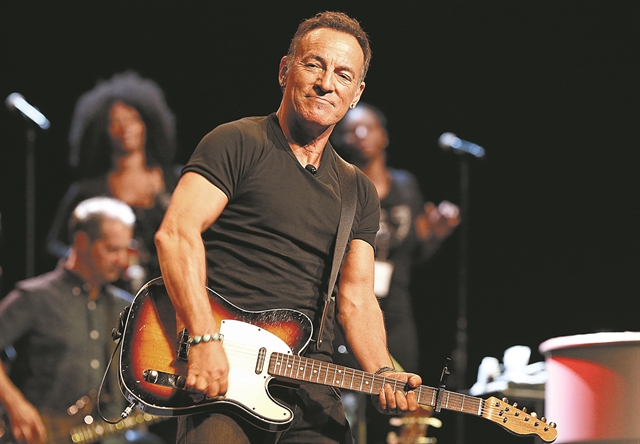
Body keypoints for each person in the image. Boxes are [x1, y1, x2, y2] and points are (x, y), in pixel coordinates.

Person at [154, 11, 422, 444]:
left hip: (310, 385)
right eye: (314, 64)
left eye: (343, 74)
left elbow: (357, 298)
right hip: (225, 371)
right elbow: (176, 234)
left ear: (356, 93)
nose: (326, 83)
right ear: (285, 70)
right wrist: (202, 336)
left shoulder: (358, 191)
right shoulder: (236, 142)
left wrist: (382, 370)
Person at [331, 103, 460, 443]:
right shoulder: (340, 186)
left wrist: (436, 234)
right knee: (348, 399)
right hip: (348, 306)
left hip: (396, 309)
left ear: (384, 136)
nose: (361, 135)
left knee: (399, 397)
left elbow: (417, 252)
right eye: (351, 130)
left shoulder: (405, 186)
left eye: (368, 127)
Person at [0, 197, 158, 444]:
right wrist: (16, 405)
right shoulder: (34, 298)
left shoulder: (126, 307)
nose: (122, 261)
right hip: (42, 436)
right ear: (82, 242)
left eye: (125, 250)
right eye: (112, 249)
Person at [46, 71, 181, 294]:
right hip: (111, 297)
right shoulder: (88, 191)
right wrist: (96, 261)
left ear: (147, 123)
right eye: (115, 122)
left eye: (133, 119)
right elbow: (55, 244)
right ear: (102, 131)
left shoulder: (176, 179)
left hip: (172, 291)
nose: (125, 128)